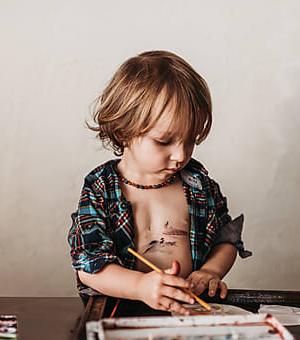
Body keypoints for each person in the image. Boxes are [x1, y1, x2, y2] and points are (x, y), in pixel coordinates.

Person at [68, 50, 251, 315]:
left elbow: (227, 239)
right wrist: (141, 286)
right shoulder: (101, 188)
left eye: (190, 141)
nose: (180, 155)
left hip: (187, 311)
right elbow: (89, 267)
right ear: (123, 133)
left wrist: (211, 271)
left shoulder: (198, 184)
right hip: (119, 314)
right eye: (164, 142)